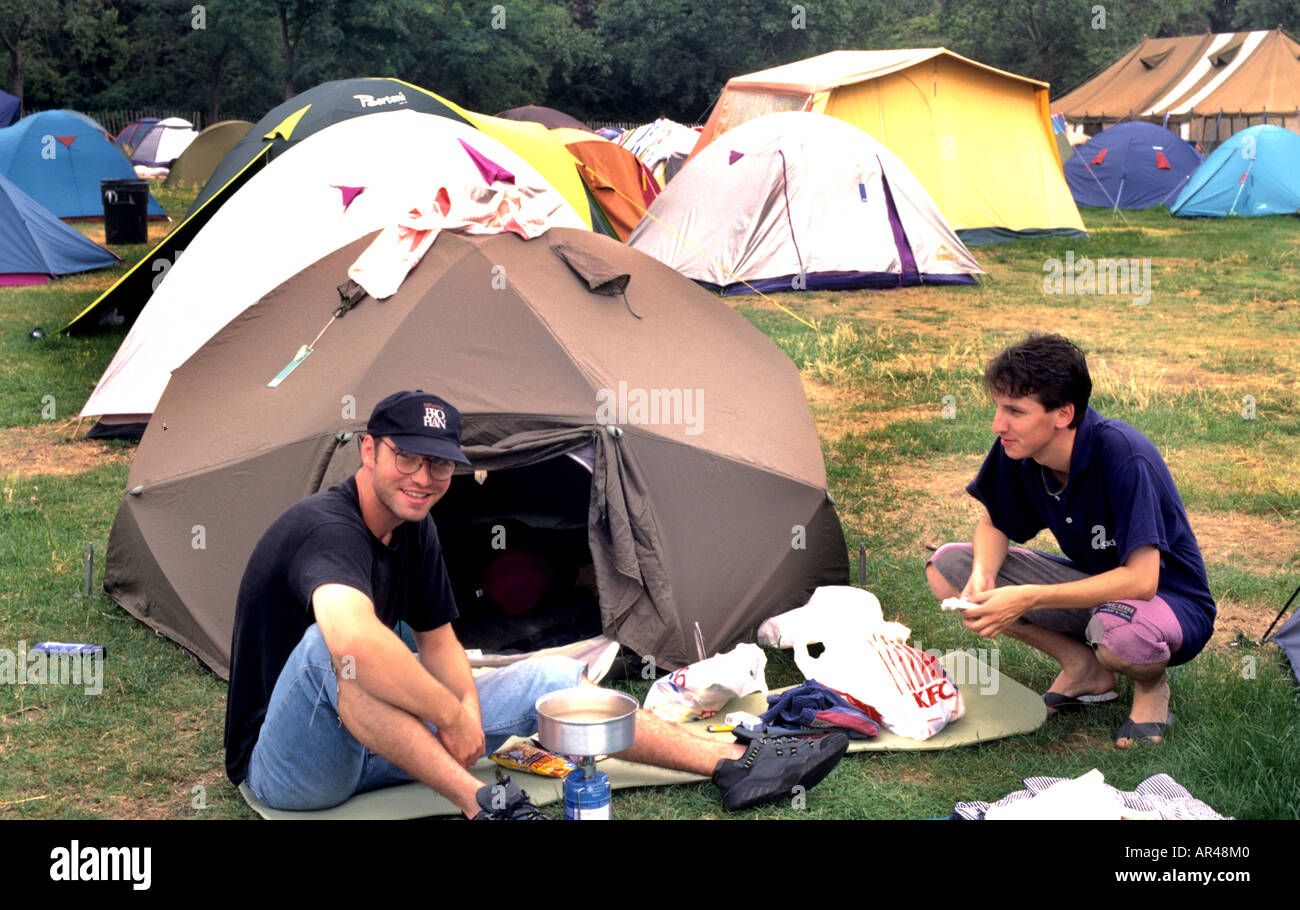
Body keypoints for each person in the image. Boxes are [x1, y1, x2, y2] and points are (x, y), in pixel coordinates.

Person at [224, 389, 847, 817]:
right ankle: (481, 807)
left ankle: (737, 764)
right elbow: (353, 643)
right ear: (368, 450)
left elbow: (440, 642)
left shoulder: (416, 529)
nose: (423, 476)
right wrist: (448, 710)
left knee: (554, 680)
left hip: (386, 744)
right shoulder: (324, 527)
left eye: (439, 464)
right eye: (406, 456)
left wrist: (463, 710)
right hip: (293, 766)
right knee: (332, 651)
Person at [926, 335, 1215, 748]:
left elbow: (1142, 581)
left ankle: (1152, 690)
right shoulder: (1019, 449)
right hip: (1095, 587)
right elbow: (994, 522)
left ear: (1063, 414)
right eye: (998, 407)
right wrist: (984, 575)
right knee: (949, 569)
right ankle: (1083, 667)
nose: (997, 425)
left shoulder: (1122, 454)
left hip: (1170, 603)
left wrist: (1028, 598)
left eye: (1015, 411)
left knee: (1120, 631)